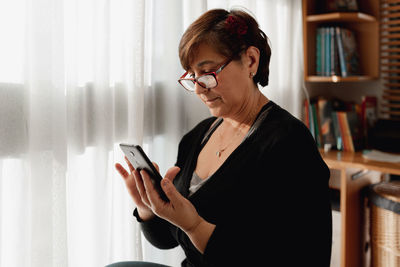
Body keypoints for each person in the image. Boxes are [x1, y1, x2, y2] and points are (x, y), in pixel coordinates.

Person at [114, 8, 332, 267]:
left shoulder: (288, 143)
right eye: (192, 76)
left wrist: (195, 225)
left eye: (208, 72)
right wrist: (148, 208)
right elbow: (169, 239)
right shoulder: (198, 136)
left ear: (251, 60)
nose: (198, 88)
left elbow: (303, 257)